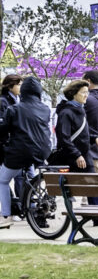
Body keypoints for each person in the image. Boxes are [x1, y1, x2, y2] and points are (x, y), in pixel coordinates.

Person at [0, 77, 50, 229]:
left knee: (2, 180)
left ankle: (6, 215)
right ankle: (32, 205)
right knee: (31, 176)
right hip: (43, 150)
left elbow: (3, 131)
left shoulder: (14, 109)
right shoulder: (45, 108)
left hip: (20, 151)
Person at [53, 80, 98, 219]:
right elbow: (63, 137)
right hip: (72, 157)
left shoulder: (79, 109)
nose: (86, 95)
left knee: (92, 185)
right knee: (80, 187)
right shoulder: (66, 112)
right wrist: (77, 155)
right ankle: (91, 217)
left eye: (87, 92)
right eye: (83, 92)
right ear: (74, 94)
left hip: (83, 155)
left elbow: (80, 133)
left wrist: (93, 138)